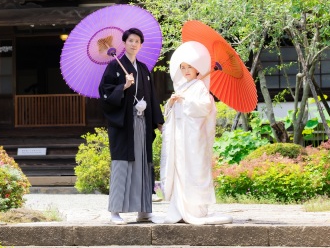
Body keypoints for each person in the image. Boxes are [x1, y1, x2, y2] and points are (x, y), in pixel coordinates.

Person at [152, 41, 232, 225]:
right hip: (179, 134)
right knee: (179, 168)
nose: (186, 70)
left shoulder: (201, 87)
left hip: (192, 137)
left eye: (190, 67)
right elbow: (170, 114)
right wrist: (171, 103)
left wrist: (186, 102)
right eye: (183, 67)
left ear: (197, 70)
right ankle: (178, 208)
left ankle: (194, 208)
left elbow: (204, 108)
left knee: (192, 168)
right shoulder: (181, 87)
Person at [99, 27, 164, 224]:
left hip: (142, 122)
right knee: (122, 164)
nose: (134, 44)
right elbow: (104, 92)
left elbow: (152, 96)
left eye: (137, 41)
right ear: (124, 43)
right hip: (124, 124)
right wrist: (123, 87)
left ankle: (144, 210)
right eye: (130, 41)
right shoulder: (114, 67)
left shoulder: (143, 69)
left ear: (140, 45)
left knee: (144, 163)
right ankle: (115, 212)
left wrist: (158, 122)